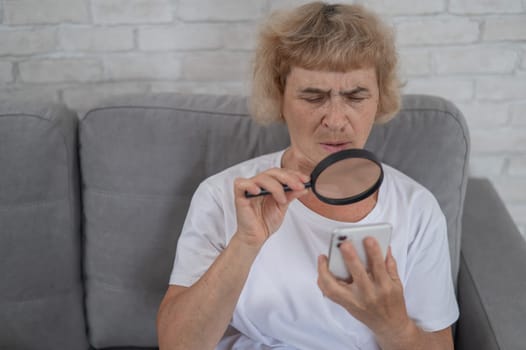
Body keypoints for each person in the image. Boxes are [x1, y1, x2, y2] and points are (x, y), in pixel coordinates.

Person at [157, 2, 459, 350]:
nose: (334, 119)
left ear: (380, 99)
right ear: (279, 97)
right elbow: (175, 345)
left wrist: (393, 325)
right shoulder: (223, 195)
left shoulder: (416, 209)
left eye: (356, 96)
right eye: (313, 97)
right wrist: (246, 242)